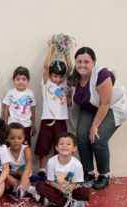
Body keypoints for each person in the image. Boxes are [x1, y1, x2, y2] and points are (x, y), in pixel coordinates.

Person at [68, 47, 127, 190]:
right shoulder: (76, 75)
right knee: (81, 137)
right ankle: (89, 173)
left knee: (98, 139)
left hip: (111, 107)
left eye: (86, 61)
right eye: (79, 61)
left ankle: (104, 175)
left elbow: (105, 103)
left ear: (94, 62)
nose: (82, 65)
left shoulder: (101, 74)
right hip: (91, 107)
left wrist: (94, 126)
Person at [35, 43, 71, 178]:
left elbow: (70, 69)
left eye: (61, 77)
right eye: (55, 76)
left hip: (61, 121)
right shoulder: (46, 84)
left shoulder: (65, 85)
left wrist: (66, 51)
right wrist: (51, 48)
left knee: (61, 146)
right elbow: (45, 67)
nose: (58, 79)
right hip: (47, 120)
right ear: (50, 75)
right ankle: (42, 170)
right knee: (44, 146)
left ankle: (59, 170)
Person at [36, 132, 90, 207]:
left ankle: (53, 200)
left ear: (74, 148)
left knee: (85, 191)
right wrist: (61, 189)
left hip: (70, 190)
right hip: (56, 188)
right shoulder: (51, 161)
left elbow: (76, 183)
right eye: (61, 144)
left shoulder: (77, 165)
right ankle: (70, 204)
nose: (64, 145)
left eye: (68, 144)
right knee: (40, 185)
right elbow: (51, 182)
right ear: (57, 148)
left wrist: (69, 188)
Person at [3, 66, 36, 146]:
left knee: (25, 147)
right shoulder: (10, 93)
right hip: (12, 125)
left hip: (26, 125)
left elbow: (33, 110)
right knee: (10, 146)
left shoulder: (30, 94)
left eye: (24, 79)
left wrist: (33, 125)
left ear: (28, 80)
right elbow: (5, 111)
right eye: (18, 79)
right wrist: (5, 126)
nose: (21, 82)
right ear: (13, 80)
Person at [7, 123, 40, 201]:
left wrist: (24, 176)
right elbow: (6, 170)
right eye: (12, 138)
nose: (16, 141)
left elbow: (29, 164)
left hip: (26, 174)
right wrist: (16, 173)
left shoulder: (26, 149)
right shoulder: (6, 151)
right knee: (4, 174)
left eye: (19, 138)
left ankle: (21, 188)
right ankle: (28, 189)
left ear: (24, 138)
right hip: (14, 176)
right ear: (7, 138)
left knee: (23, 168)